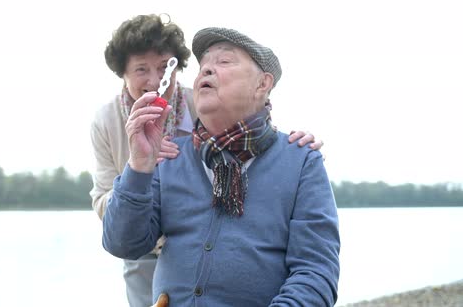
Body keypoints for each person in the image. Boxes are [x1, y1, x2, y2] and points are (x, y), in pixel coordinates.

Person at [90, 15, 325, 307]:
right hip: (147, 249)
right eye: (204, 66)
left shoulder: (300, 160)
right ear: (123, 74)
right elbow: (122, 242)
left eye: (225, 61)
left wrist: (293, 151)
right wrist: (139, 166)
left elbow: (314, 271)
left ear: (263, 83)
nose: (208, 70)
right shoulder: (154, 149)